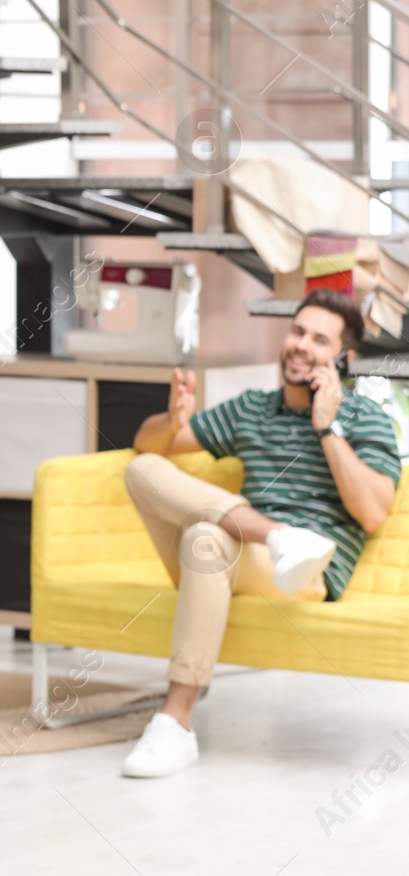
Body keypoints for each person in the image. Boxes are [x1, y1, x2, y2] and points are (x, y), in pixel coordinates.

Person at [120, 289, 399, 778]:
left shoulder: (364, 417)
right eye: (297, 332)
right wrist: (172, 418)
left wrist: (327, 427)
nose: (302, 345)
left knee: (204, 540)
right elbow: (154, 445)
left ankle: (174, 723)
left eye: (319, 339)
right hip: (251, 547)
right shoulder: (251, 408)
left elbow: (374, 512)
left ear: (341, 357)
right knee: (143, 468)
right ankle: (278, 533)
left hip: (304, 573)